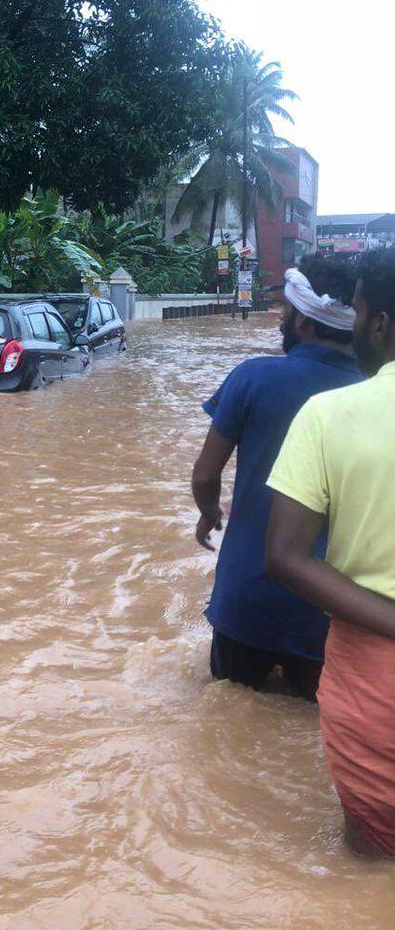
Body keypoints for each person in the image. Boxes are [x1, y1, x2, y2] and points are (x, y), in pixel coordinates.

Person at [266, 249, 395, 857]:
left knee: (369, 859)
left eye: (362, 308)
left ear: (379, 323)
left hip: (376, 672)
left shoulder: (329, 415)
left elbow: (286, 555)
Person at [191, 255, 361, 698]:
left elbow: (206, 474)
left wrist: (209, 514)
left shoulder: (253, 378)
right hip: (332, 608)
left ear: (302, 322)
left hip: (246, 598)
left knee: (225, 725)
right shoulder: (373, 392)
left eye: (286, 312)